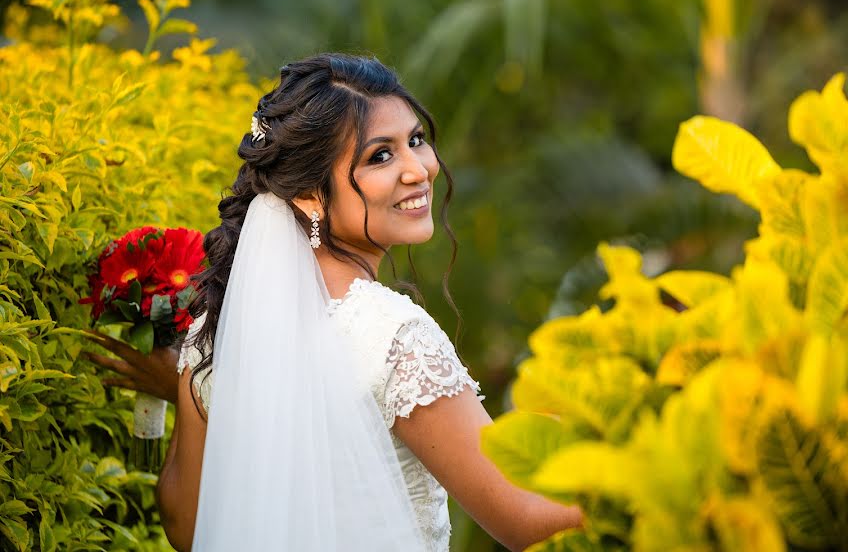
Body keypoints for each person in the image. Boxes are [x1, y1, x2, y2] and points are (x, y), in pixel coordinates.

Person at [85, 53, 584, 551]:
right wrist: (640, 474)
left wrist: (191, 394)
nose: (418, 170)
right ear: (308, 195)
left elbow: (186, 525)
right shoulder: (395, 341)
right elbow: (527, 524)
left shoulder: (218, 330)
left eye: (415, 141)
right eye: (380, 156)